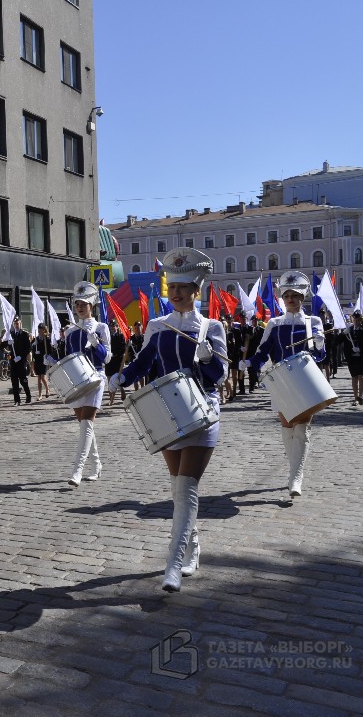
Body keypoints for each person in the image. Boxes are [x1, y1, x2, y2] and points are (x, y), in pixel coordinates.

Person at [109, 248, 227, 592]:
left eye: (184, 286)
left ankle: (172, 565)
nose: (176, 292)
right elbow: (143, 363)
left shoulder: (210, 327)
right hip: (166, 414)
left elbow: (218, 375)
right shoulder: (157, 326)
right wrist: (120, 378)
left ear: (197, 289)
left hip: (202, 412)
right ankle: (193, 546)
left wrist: (207, 360)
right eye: (172, 286)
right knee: (179, 491)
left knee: (186, 488)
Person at [241, 271, 326, 499]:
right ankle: (293, 469)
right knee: (288, 426)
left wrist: (318, 343)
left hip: (306, 380)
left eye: (295, 295)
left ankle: (296, 477)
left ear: (302, 298)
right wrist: (249, 363)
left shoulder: (313, 322)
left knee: (302, 426)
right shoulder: (275, 324)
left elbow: (320, 355)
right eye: (287, 295)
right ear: (282, 298)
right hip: (282, 380)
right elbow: (263, 351)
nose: (291, 299)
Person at [62, 282, 110, 487]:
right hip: (77, 381)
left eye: (84, 304)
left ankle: (77, 470)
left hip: (96, 378)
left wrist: (97, 344)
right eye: (77, 304)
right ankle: (97, 465)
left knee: (87, 424)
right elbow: (68, 359)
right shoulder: (71, 332)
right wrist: (53, 362)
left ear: (92, 306)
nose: (80, 308)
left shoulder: (101, 327)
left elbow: (107, 358)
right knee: (84, 427)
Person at [344, 312, 363, 405]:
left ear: (361, 320)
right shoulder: (349, 330)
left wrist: (361, 349)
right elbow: (337, 341)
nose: (356, 321)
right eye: (354, 319)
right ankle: (355, 397)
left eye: (358, 319)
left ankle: (361, 396)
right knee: (354, 377)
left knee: (362, 376)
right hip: (352, 358)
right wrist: (343, 334)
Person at [9, 317, 33, 405]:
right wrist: (8, 343)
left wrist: (21, 356)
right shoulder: (11, 335)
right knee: (14, 381)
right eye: (15, 324)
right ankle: (17, 400)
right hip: (13, 361)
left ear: (20, 324)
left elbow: (28, 348)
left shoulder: (25, 334)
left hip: (21, 361)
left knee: (23, 380)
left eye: (17, 323)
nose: (16, 325)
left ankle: (28, 395)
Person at [106, 319, 128, 406]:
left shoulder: (121, 336)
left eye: (113, 326)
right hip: (109, 360)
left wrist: (115, 354)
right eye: (111, 326)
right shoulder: (107, 337)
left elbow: (123, 348)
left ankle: (122, 391)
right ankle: (111, 399)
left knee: (118, 379)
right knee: (109, 380)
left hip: (117, 360)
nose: (112, 328)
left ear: (117, 326)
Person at [32, 323, 54, 400]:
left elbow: (50, 350)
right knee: (39, 377)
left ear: (44, 330)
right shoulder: (36, 339)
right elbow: (33, 349)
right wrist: (34, 346)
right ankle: (40, 394)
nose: (39, 332)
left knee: (43, 377)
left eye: (40, 330)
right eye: (38, 330)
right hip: (37, 360)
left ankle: (47, 388)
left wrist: (47, 356)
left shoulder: (47, 339)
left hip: (44, 359)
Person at [128, 321, 145, 390]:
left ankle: (143, 389)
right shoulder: (131, 338)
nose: (137, 329)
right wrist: (129, 361)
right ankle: (136, 391)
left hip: (142, 359)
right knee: (135, 377)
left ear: (141, 328)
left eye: (139, 327)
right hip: (133, 359)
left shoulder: (144, 337)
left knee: (141, 376)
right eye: (136, 328)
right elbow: (129, 351)